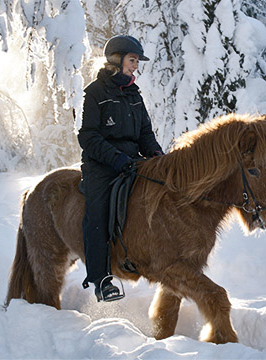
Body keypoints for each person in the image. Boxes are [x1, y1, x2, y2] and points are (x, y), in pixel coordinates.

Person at [77, 34, 165, 302]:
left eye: (137, 61)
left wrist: (158, 156)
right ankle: (101, 279)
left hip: (132, 161)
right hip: (102, 165)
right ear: (117, 59)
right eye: (132, 59)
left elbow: (145, 134)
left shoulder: (134, 94)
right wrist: (116, 159)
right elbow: (88, 137)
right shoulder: (95, 93)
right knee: (98, 213)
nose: (136, 65)